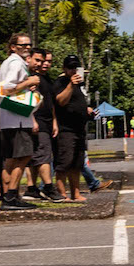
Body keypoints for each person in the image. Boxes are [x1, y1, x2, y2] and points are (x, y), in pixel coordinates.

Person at [0, 33, 42, 209]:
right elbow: (7, 89)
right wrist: (29, 81)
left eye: (29, 44)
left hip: (7, 118)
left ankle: (9, 195)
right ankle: (11, 196)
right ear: (13, 47)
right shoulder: (16, 63)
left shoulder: (8, 62)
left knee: (10, 159)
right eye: (22, 45)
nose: (27, 47)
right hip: (18, 119)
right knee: (24, 156)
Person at [51, 53, 90, 203]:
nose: (73, 70)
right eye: (70, 67)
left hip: (79, 129)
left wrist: (86, 109)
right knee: (64, 162)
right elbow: (60, 101)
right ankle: (62, 194)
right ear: (64, 68)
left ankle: (76, 193)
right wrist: (70, 85)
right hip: (65, 129)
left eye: (75, 67)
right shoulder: (61, 82)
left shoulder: (79, 84)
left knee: (77, 163)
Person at [30, 49, 64, 202]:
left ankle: (32, 189)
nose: (45, 64)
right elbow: (29, 99)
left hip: (48, 121)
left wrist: (54, 121)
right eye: (43, 61)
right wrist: (32, 119)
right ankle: (48, 187)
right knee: (43, 156)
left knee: (37, 156)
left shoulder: (47, 80)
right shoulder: (33, 78)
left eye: (49, 61)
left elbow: (51, 104)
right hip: (38, 120)